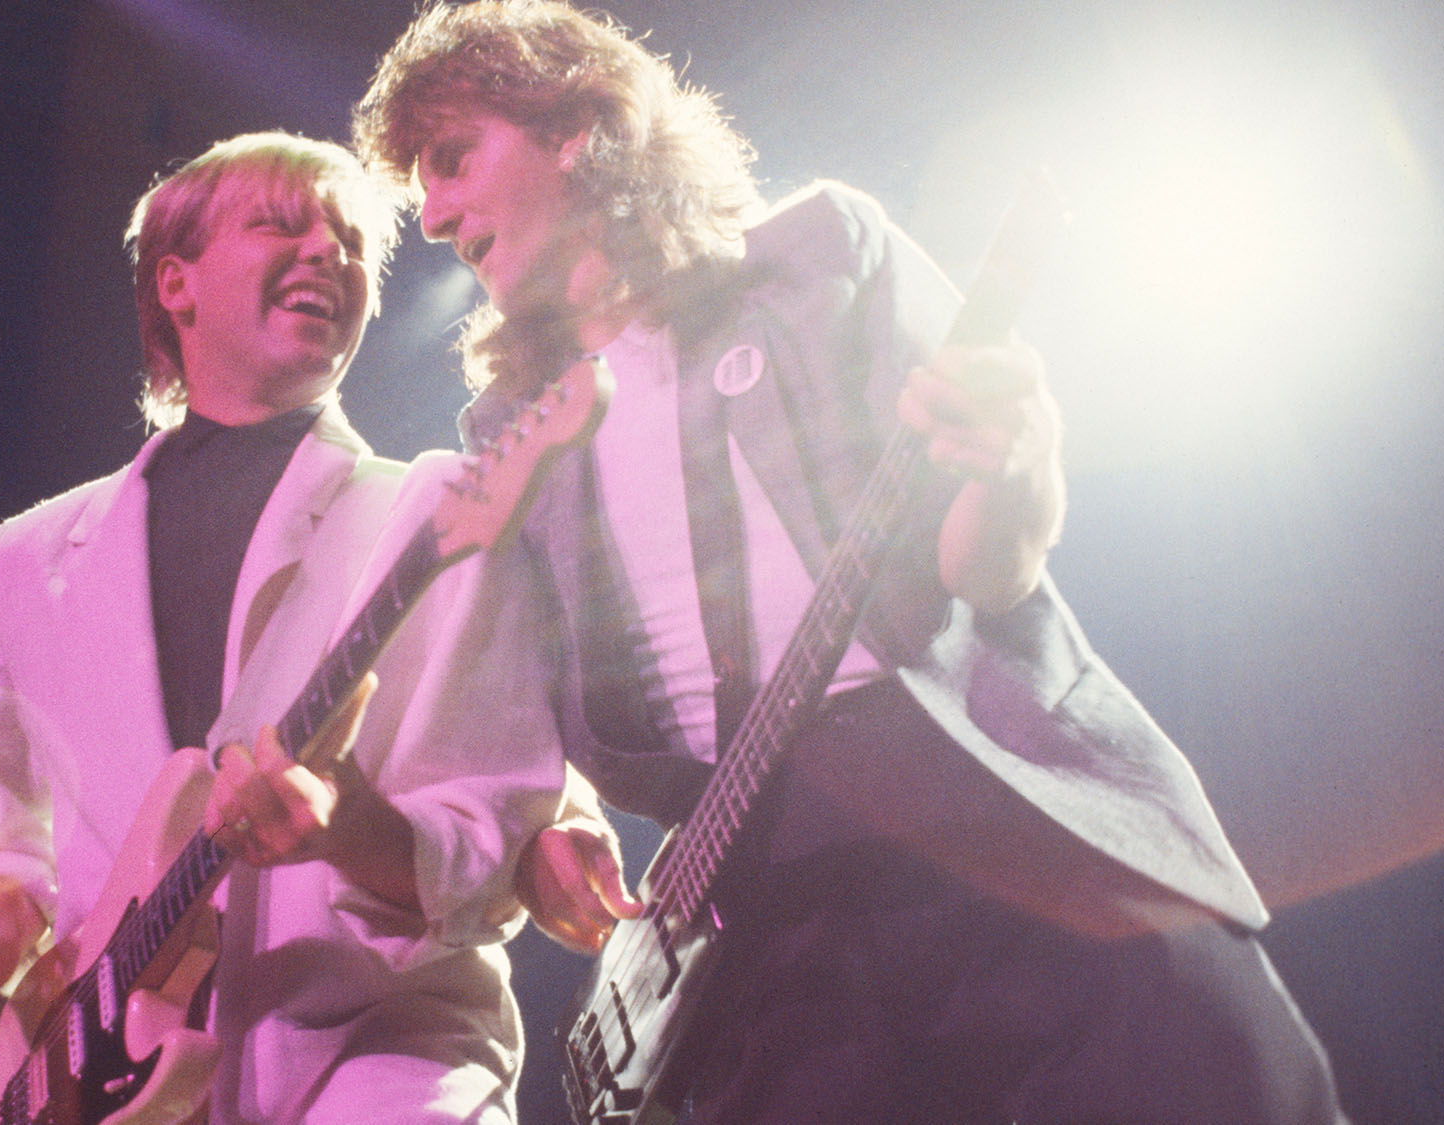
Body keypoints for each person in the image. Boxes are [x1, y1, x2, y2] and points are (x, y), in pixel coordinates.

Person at [355, 3, 1343, 1121]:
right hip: (761, 917)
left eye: (451, 157)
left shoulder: (822, 257)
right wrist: (553, 834)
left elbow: (989, 573)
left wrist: (1014, 459)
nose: (433, 215)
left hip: (996, 817)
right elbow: (530, 712)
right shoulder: (513, 436)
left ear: (573, 127)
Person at [0, 131, 564, 1124]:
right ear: (176, 287)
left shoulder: (431, 512)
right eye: (280, 224)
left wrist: (348, 828)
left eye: (350, 242)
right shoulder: (27, 556)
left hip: (378, 1060)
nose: (326, 253)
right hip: (103, 1077)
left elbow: (490, 849)